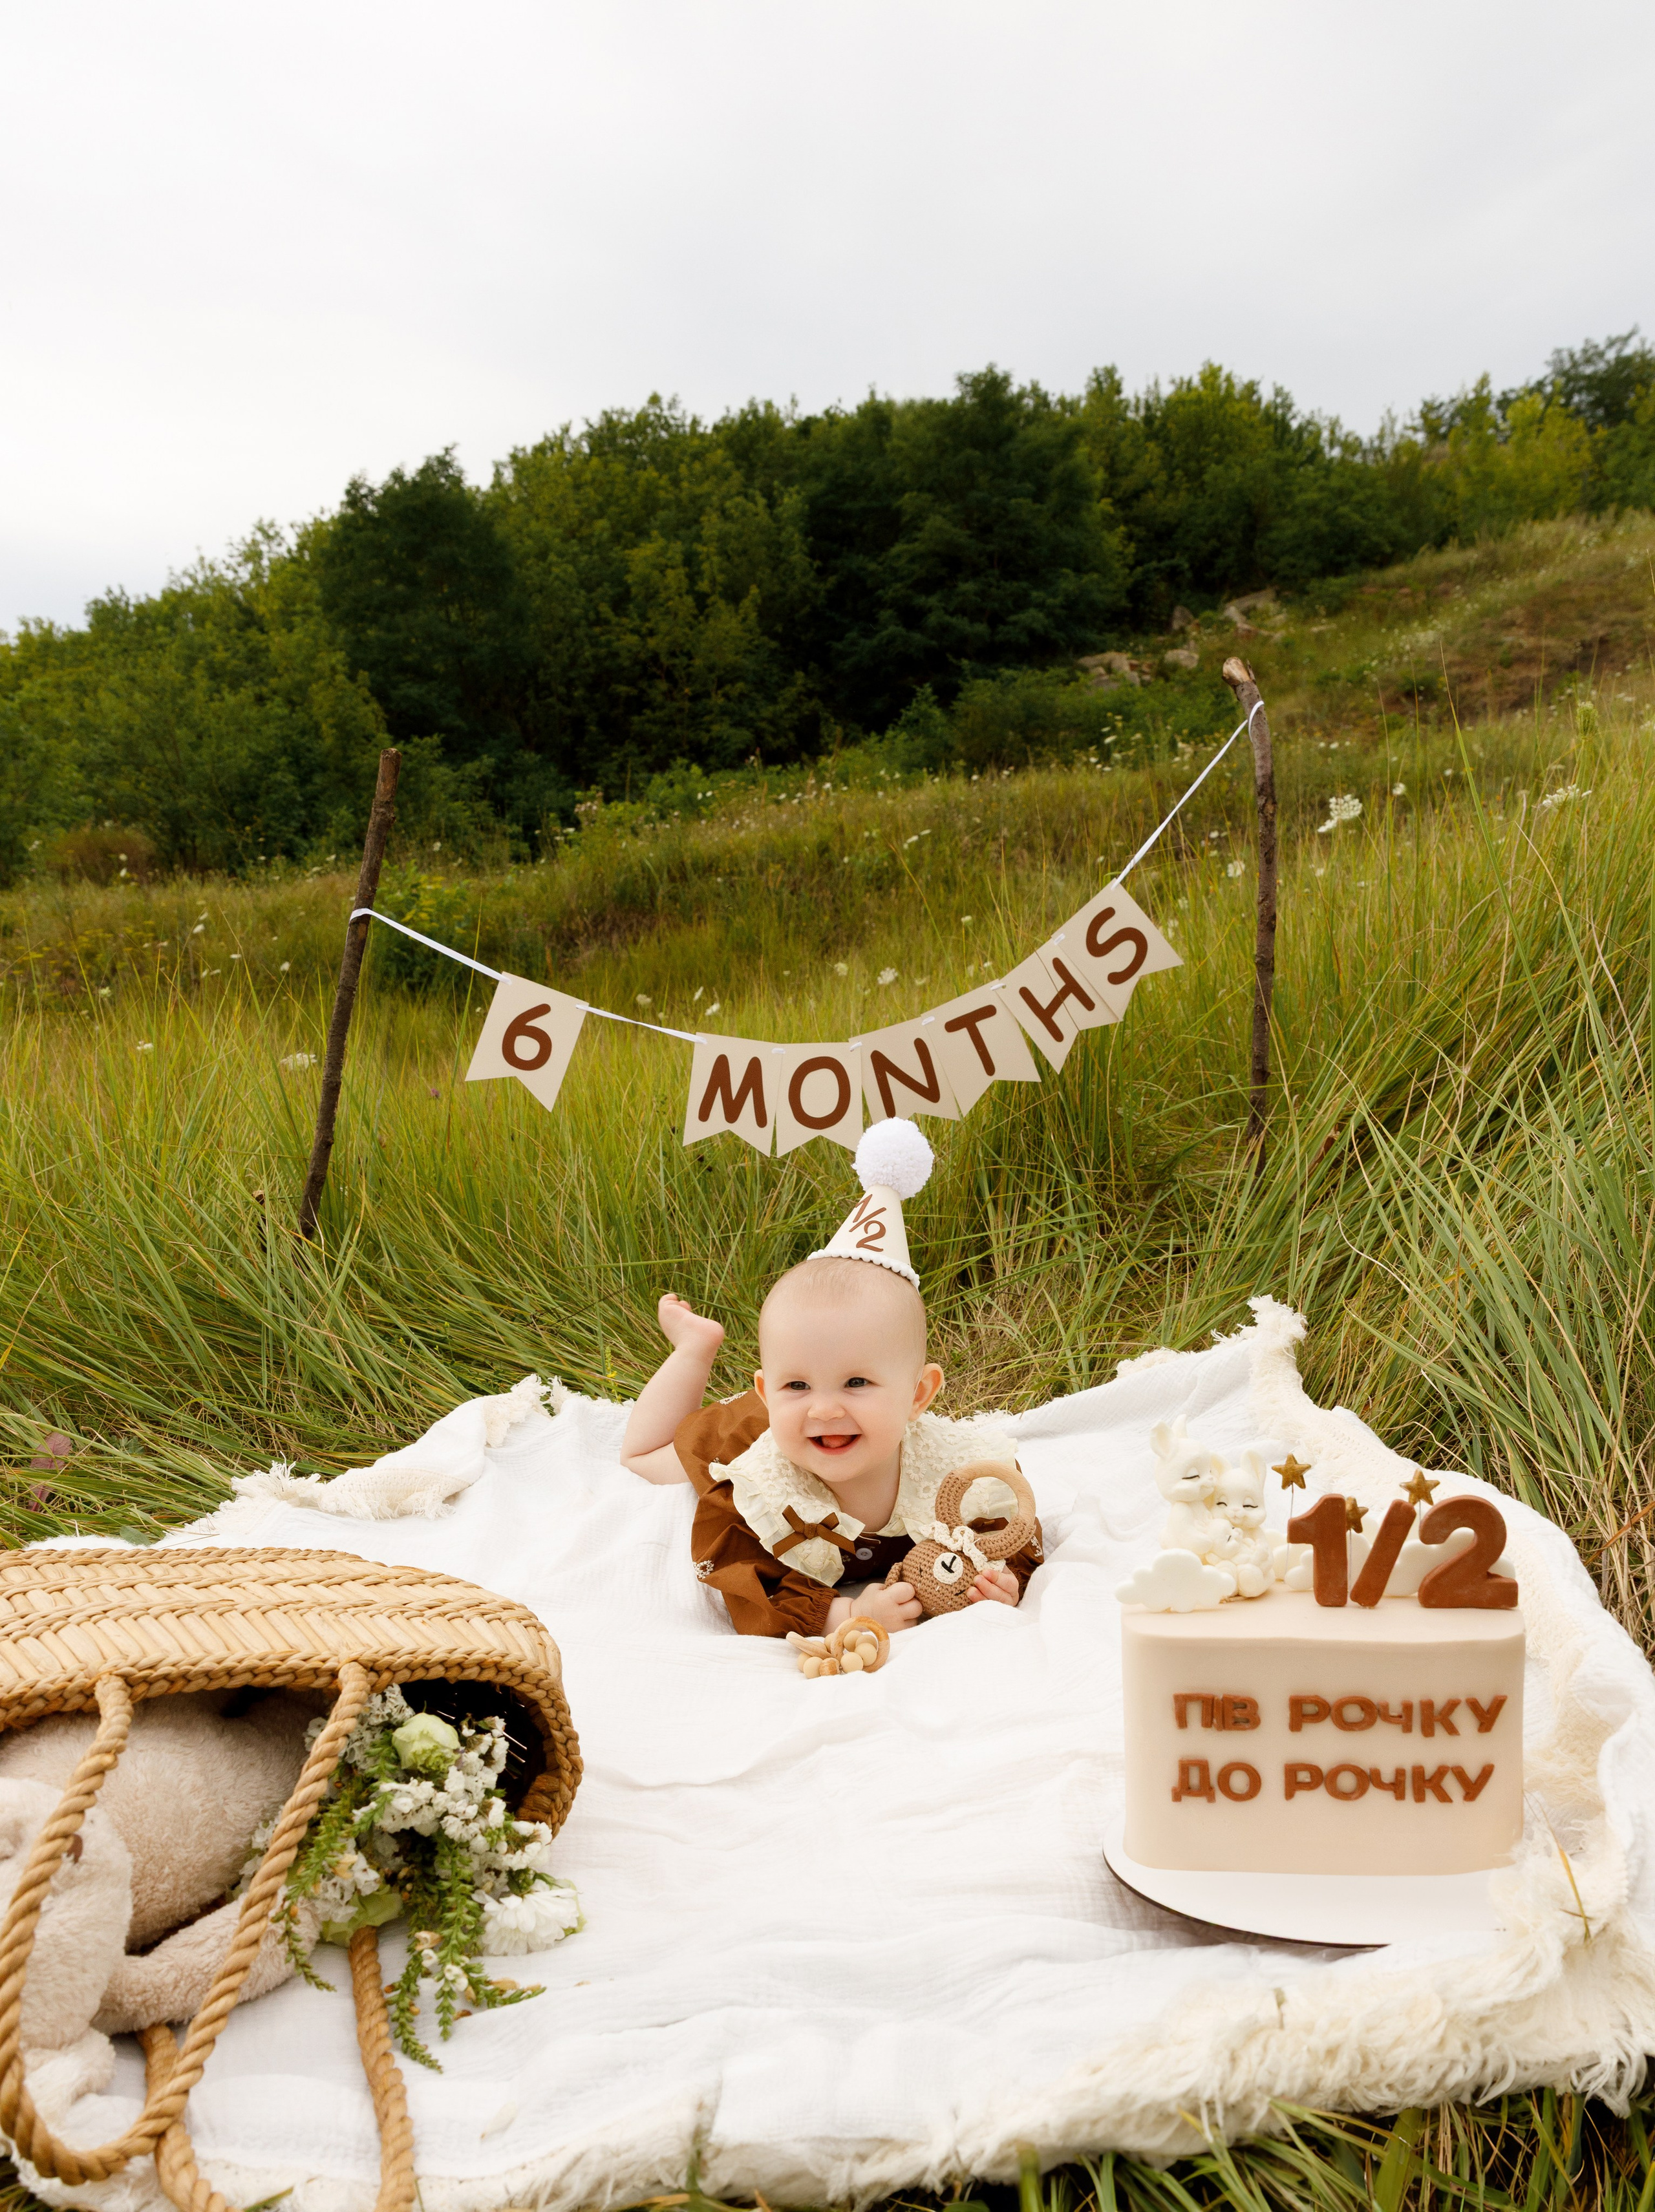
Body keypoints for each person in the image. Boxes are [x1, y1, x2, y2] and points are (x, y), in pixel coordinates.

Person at [619, 1120, 1043, 1639]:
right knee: (643, 1460)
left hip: (797, 1417)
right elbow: (753, 1584)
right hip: (755, 1428)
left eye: (857, 1383)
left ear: (918, 1396)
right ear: (768, 1391)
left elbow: (1007, 1532)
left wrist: (1005, 1581)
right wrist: (843, 1615)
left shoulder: (956, 1472)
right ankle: (694, 1348)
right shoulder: (760, 1487)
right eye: (797, 1385)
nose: (824, 1408)